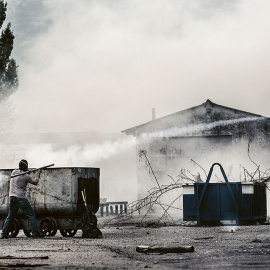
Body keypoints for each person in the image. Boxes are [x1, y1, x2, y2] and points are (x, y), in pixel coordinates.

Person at [1, 159, 43, 239]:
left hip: (12, 197)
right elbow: (35, 182)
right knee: (31, 215)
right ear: (26, 167)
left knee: (10, 216)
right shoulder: (26, 176)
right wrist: (37, 174)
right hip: (20, 198)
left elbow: (23, 173)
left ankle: (4, 234)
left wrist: (28, 171)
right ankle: (35, 233)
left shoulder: (14, 172)